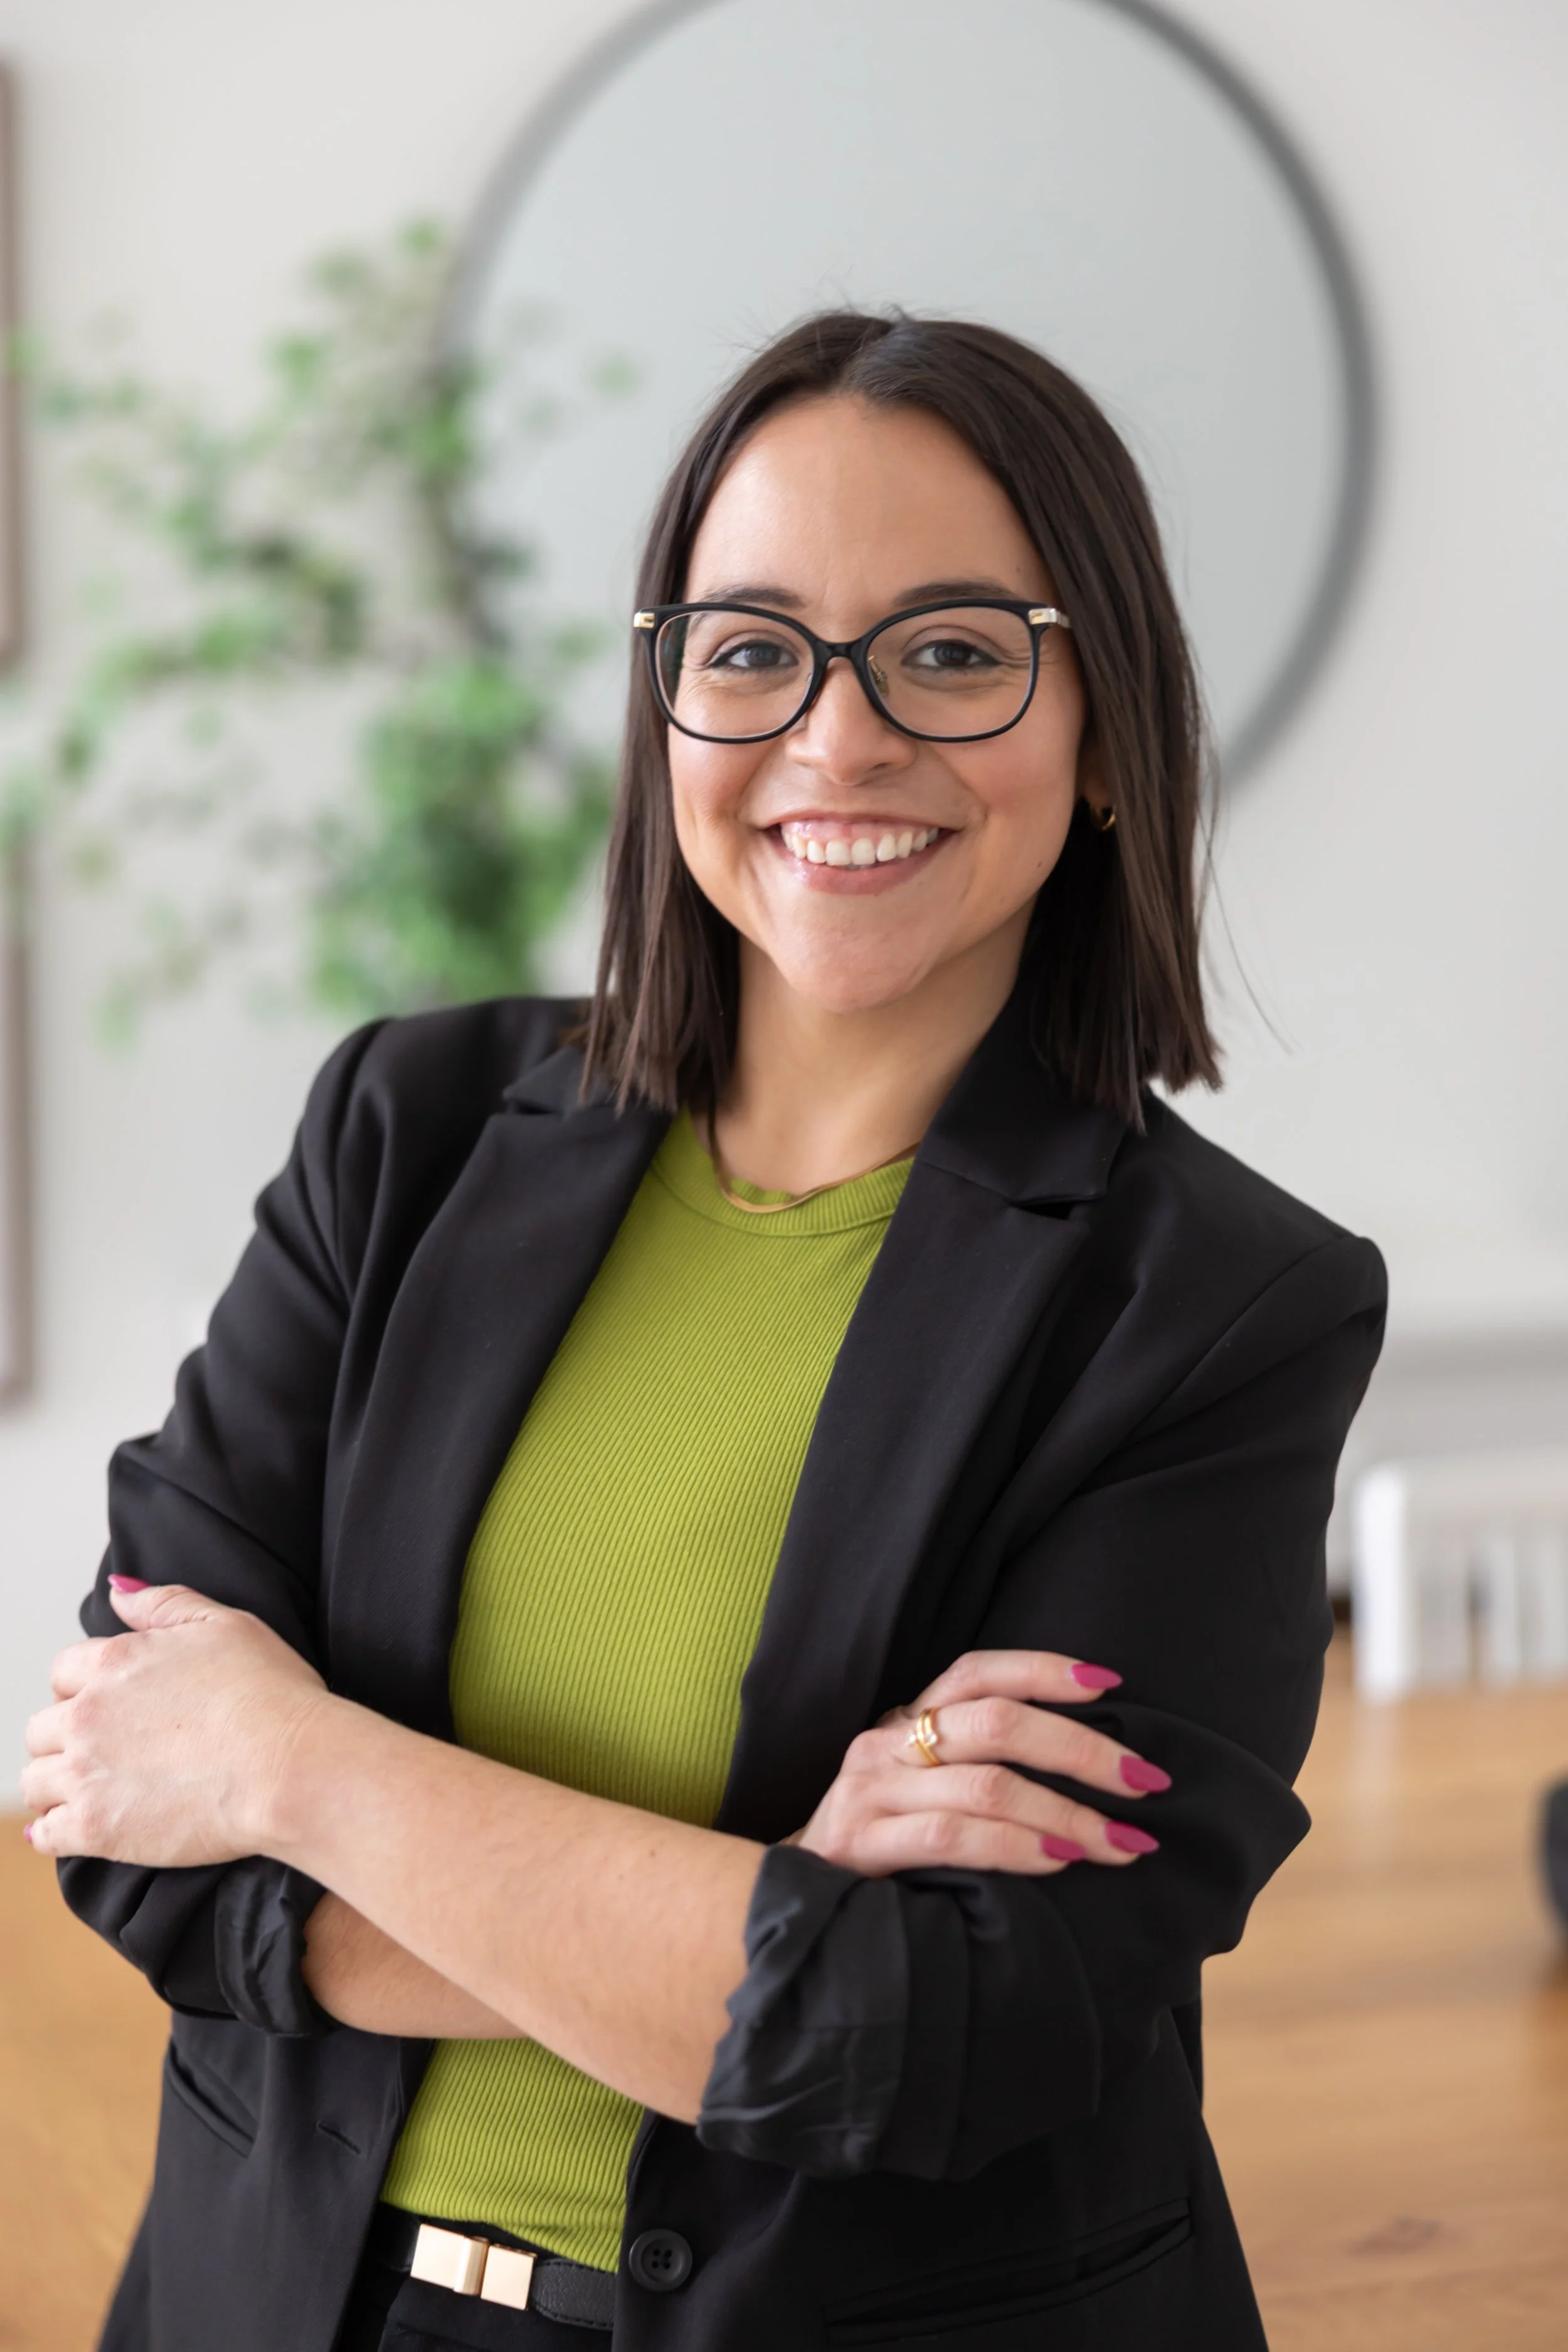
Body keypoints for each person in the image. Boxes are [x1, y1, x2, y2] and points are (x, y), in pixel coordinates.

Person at [23, 310, 1385, 2352]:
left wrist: (295, 1763)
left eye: (949, 649)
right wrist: (763, 1900)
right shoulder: (400, 1135)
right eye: (751, 649)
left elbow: (938, 2037)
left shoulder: (1214, 1313)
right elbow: (130, 1822)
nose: (835, 742)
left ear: (1103, 732)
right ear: (666, 704)